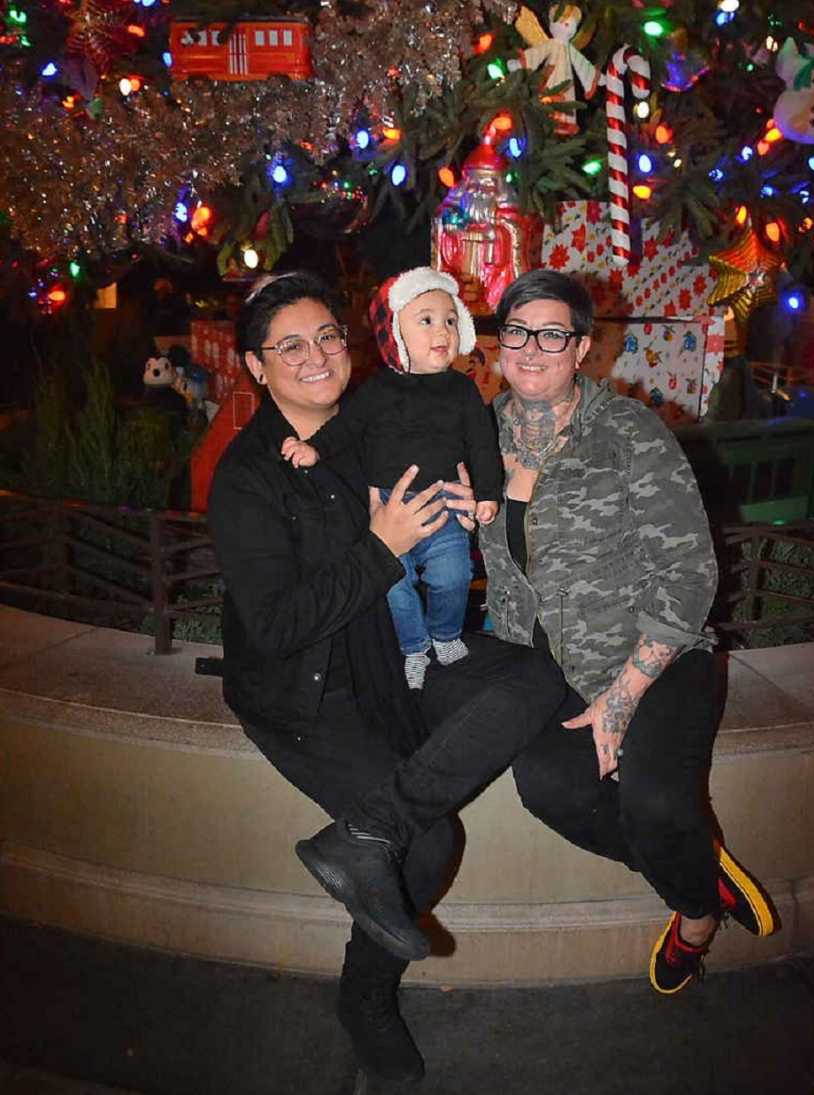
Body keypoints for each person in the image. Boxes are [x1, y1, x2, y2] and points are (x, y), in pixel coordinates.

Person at [207, 271, 566, 1084]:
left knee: (535, 680)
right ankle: (364, 996)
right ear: (255, 367)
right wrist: (383, 544)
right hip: (309, 691)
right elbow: (277, 625)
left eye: (328, 335)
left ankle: (366, 829)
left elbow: (462, 457)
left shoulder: (374, 421)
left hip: (393, 655)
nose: (316, 355)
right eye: (288, 345)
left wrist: (479, 496)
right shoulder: (249, 478)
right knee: (431, 838)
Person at [477, 268, 777, 995]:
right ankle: (699, 866)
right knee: (550, 788)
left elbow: (689, 570)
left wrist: (623, 694)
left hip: (658, 652)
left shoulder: (627, 432)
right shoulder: (476, 435)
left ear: (583, 348)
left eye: (553, 332)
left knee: (656, 802)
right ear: (497, 343)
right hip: (543, 664)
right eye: (517, 329)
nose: (532, 346)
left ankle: (696, 914)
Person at [281, 267, 503, 690]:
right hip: (388, 507)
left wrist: (487, 494)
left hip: (444, 509)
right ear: (396, 334)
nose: (443, 330)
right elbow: (346, 427)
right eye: (426, 320)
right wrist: (314, 449)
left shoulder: (463, 391)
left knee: (454, 577)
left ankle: (445, 634)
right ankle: (414, 648)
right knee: (394, 585)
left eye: (451, 320)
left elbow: (481, 446)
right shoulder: (379, 389)